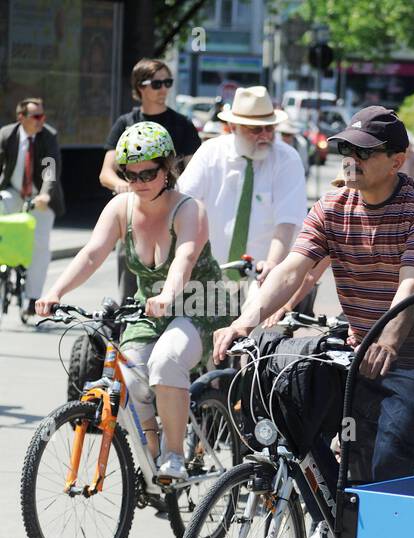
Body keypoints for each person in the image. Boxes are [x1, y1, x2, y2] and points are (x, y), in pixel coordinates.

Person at [212, 105, 414, 538]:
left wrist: (388, 336)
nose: (351, 158)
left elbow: (411, 283)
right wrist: (244, 322)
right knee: (294, 413)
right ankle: (331, 512)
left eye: (364, 152)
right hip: (363, 346)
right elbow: (291, 270)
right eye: (345, 148)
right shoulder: (333, 206)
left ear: (397, 160)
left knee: (387, 456)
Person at [36, 123, 228, 481]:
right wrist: (54, 292)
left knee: (167, 361)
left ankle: (174, 455)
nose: (138, 181)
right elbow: (92, 253)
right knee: (132, 373)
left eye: (148, 173)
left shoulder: (189, 210)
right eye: (130, 174)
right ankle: (151, 457)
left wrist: (168, 295)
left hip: (201, 304)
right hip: (148, 308)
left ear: (168, 167)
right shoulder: (121, 207)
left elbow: (183, 263)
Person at [177, 87, 306, 297]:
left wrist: (272, 265)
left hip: (261, 278)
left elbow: (287, 222)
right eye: (255, 129)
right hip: (206, 275)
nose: (265, 135)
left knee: (254, 327)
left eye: (270, 128)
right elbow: (182, 203)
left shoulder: (287, 159)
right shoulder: (211, 152)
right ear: (233, 127)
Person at [102, 59, 202, 303]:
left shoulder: (183, 125)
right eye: (156, 83)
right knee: (129, 292)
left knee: (179, 282)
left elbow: (196, 170)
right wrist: (123, 184)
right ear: (140, 88)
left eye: (167, 82)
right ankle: (128, 332)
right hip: (135, 216)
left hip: (173, 214)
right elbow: (106, 172)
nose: (163, 89)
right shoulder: (125, 124)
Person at [0, 97, 63, 314]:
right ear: (21, 117)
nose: (40, 120)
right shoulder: (7, 134)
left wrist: (45, 195)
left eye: (42, 116)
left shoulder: (48, 136)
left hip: (40, 198)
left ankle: (33, 297)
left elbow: (50, 170)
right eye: (35, 116)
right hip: (13, 192)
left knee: (40, 246)